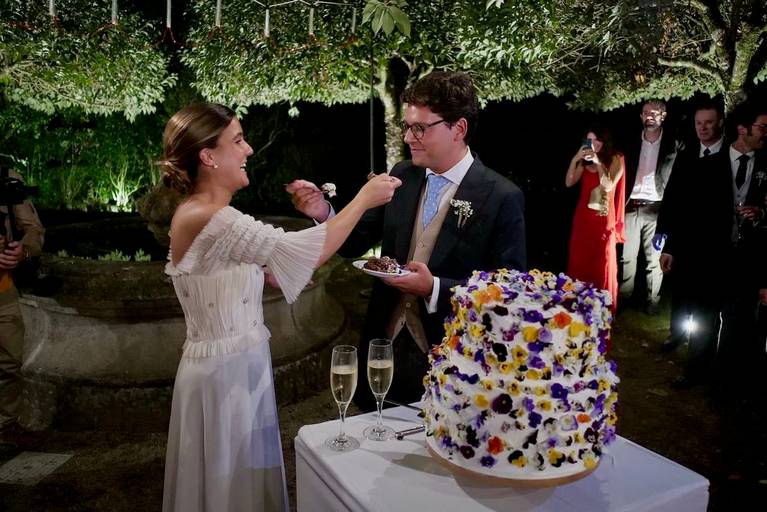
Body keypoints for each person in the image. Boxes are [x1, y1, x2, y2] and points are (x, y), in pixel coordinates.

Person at [159, 103, 400, 512]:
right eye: (238, 140)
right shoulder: (211, 215)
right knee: (230, 486)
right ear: (208, 156)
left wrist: (263, 274)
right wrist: (364, 199)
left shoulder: (203, 214)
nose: (249, 149)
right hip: (224, 378)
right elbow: (305, 251)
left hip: (239, 366)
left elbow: (219, 269)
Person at [288, 71, 526, 409]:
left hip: (452, 352)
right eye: (407, 126)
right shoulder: (402, 174)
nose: (409, 137)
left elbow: (508, 289)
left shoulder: (502, 196)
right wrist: (323, 212)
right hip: (384, 342)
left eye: (420, 128)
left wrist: (435, 288)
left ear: (458, 128)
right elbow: (356, 242)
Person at [661, 103, 766, 387]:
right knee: (704, 316)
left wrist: (761, 213)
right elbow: (687, 211)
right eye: (762, 127)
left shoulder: (765, 165)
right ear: (742, 129)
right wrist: (672, 246)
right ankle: (696, 371)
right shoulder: (707, 163)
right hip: (708, 255)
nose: (766, 133)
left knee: (737, 320)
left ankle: (726, 378)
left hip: (746, 257)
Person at [656, 101, 724, 353]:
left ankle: (702, 345)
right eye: (698, 123)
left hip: (714, 241)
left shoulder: (728, 155)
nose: (703, 128)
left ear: (720, 123)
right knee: (680, 290)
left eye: (708, 122)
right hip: (684, 238)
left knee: (705, 296)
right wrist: (666, 240)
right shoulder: (687, 154)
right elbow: (672, 197)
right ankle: (676, 333)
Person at [620, 100, 677, 314]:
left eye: (654, 113)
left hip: (657, 207)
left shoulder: (673, 144)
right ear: (641, 116)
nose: (649, 117)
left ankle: (653, 299)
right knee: (627, 257)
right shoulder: (631, 142)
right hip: (631, 205)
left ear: (663, 116)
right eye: (646, 113)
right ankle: (624, 296)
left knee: (654, 258)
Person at [0, 167, 44, 434]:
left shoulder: (7, 178)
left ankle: (5, 430)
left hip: (4, 293)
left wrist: (23, 251)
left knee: (9, 365)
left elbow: (34, 231)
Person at [565, 124, 625, 310]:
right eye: (589, 140)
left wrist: (598, 162)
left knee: (600, 262)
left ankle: (600, 308)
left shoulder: (616, 159)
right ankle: (577, 305)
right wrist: (575, 159)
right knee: (579, 260)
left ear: (603, 141)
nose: (592, 144)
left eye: (596, 140)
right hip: (582, 219)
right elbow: (568, 182)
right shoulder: (585, 162)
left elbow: (608, 186)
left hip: (602, 219)